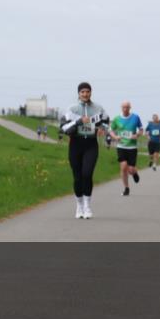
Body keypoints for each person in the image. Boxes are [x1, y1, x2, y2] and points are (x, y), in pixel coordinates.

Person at [60, 82, 109, 219]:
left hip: (91, 144)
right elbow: (63, 127)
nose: (85, 94)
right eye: (82, 92)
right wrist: (78, 122)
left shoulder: (98, 108)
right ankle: (79, 205)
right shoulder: (72, 109)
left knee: (87, 174)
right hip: (76, 143)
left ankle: (87, 206)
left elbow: (106, 121)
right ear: (79, 93)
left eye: (87, 91)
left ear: (91, 93)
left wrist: (102, 128)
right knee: (77, 177)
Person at [109, 101, 142, 196]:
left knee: (130, 169)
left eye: (127, 107)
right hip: (121, 146)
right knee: (123, 167)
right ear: (121, 108)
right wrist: (115, 137)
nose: (125, 109)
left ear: (130, 107)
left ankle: (134, 172)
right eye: (124, 107)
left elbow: (141, 129)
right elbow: (111, 130)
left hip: (132, 147)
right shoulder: (116, 119)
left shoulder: (135, 117)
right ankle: (126, 188)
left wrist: (137, 135)